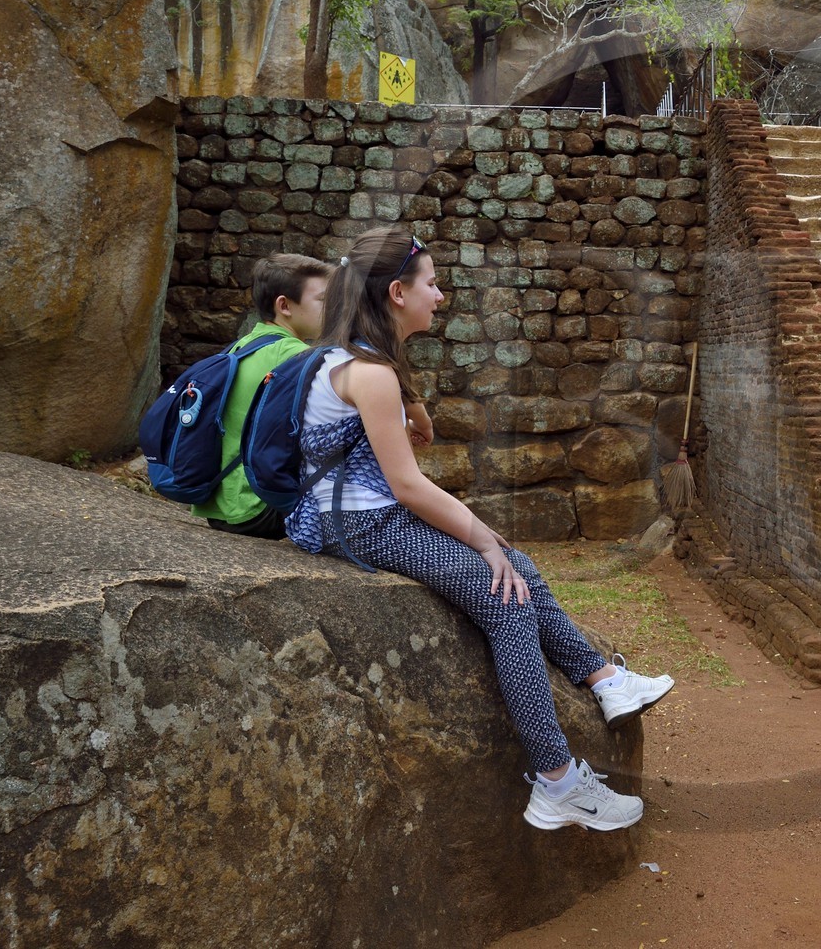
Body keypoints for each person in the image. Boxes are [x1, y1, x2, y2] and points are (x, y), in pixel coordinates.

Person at [284, 225, 674, 831]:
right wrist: (483, 537)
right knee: (506, 597)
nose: (440, 296)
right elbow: (407, 486)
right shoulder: (369, 373)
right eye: (432, 284)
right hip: (362, 524)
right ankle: (557, 781)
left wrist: (487, 537)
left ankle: (605, 679)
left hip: (355, 516)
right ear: (397, 293)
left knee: (519, 567)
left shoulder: (347, 358)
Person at [194, 252, 330, 539]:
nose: (332, 308)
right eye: (322, 300)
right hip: (259, 508)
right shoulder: (296, 356)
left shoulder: (242, 345)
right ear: (284, 306)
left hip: (220, 506)